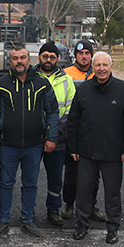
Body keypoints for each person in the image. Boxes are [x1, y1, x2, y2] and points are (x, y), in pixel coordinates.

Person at [0, 44, 59, 237]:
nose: (19, 61)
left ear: (29, 60)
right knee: (5, 183)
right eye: (15, 58)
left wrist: (51, 138)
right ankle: (3, 220)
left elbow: (52, 112)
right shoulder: (0, 84)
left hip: (34, 145)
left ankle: (27, 220)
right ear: (9, 61)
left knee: (30, 184)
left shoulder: (42, 83)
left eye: (23, 57)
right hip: (8, 145)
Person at [66, 52, 124, 243]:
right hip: (86, 152)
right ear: (93, 67)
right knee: (84, 191)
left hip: (113, 152)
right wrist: (73, 147)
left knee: (112, 193)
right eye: (98, 65)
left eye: (105, 65)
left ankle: (112, 228)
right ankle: (82, 225)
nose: (102, 68)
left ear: (111, 66)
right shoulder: (84, 89)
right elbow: (74, 120)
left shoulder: (123, 89)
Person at [61, 39, 103, 223]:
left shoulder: (100, 73)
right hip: (73, 129)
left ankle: (91, 205)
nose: (84, 56)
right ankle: (69, 204)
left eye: (87, 53)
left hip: (94, 132)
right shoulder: (67, 73)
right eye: (80, 53)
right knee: (72, 172)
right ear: (75, 55)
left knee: (94, 174)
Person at [36, 41, 75, 226]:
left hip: (58, 139)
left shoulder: (66, 80)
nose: (49, 60)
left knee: (55, 178)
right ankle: (27, 211)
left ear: (57, 59)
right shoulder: (30, 77)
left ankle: (53, 209)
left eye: (52, 57)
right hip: (33, 139)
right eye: (45, 56)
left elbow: (70, 110)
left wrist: (55, 132)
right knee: (30, 177)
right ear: (39, 58)